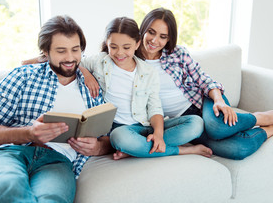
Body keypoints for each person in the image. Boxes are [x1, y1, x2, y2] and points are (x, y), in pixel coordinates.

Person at [0, 15, 110, 203]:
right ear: (45, 51)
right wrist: (28, 133)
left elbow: (108, 137)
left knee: (51, 199)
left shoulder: (92, 88)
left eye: (75, 50)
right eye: (61, 51)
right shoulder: (23, 76)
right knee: (7, 189)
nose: (70, 58)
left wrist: (98, 147)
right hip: (9, 153)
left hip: (56, 163)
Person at [136, 7, 273, 160]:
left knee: (217, 127)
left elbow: (204, 80)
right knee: (238, 148)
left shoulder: (177, 53)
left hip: (204, 102)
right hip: (184, 121)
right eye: (151, 32)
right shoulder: (131, 62)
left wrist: (218, 100)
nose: (154, 40)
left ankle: (261, 118)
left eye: (162, 36)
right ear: (143, 29)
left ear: (169, 39)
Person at [78, 16, 213, 160]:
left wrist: (158, 135)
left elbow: (155, 107)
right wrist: (86, 74)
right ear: (107, 44)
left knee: (196, 124)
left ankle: (136, 149)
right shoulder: (99, 62)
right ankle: (181, 150)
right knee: (118, 137)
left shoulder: (148, 72)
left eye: (126, 47)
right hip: (122, 130)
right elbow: (76, 61)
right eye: (113, 47)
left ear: (137, 44)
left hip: (145, 125)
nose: (119, 53)